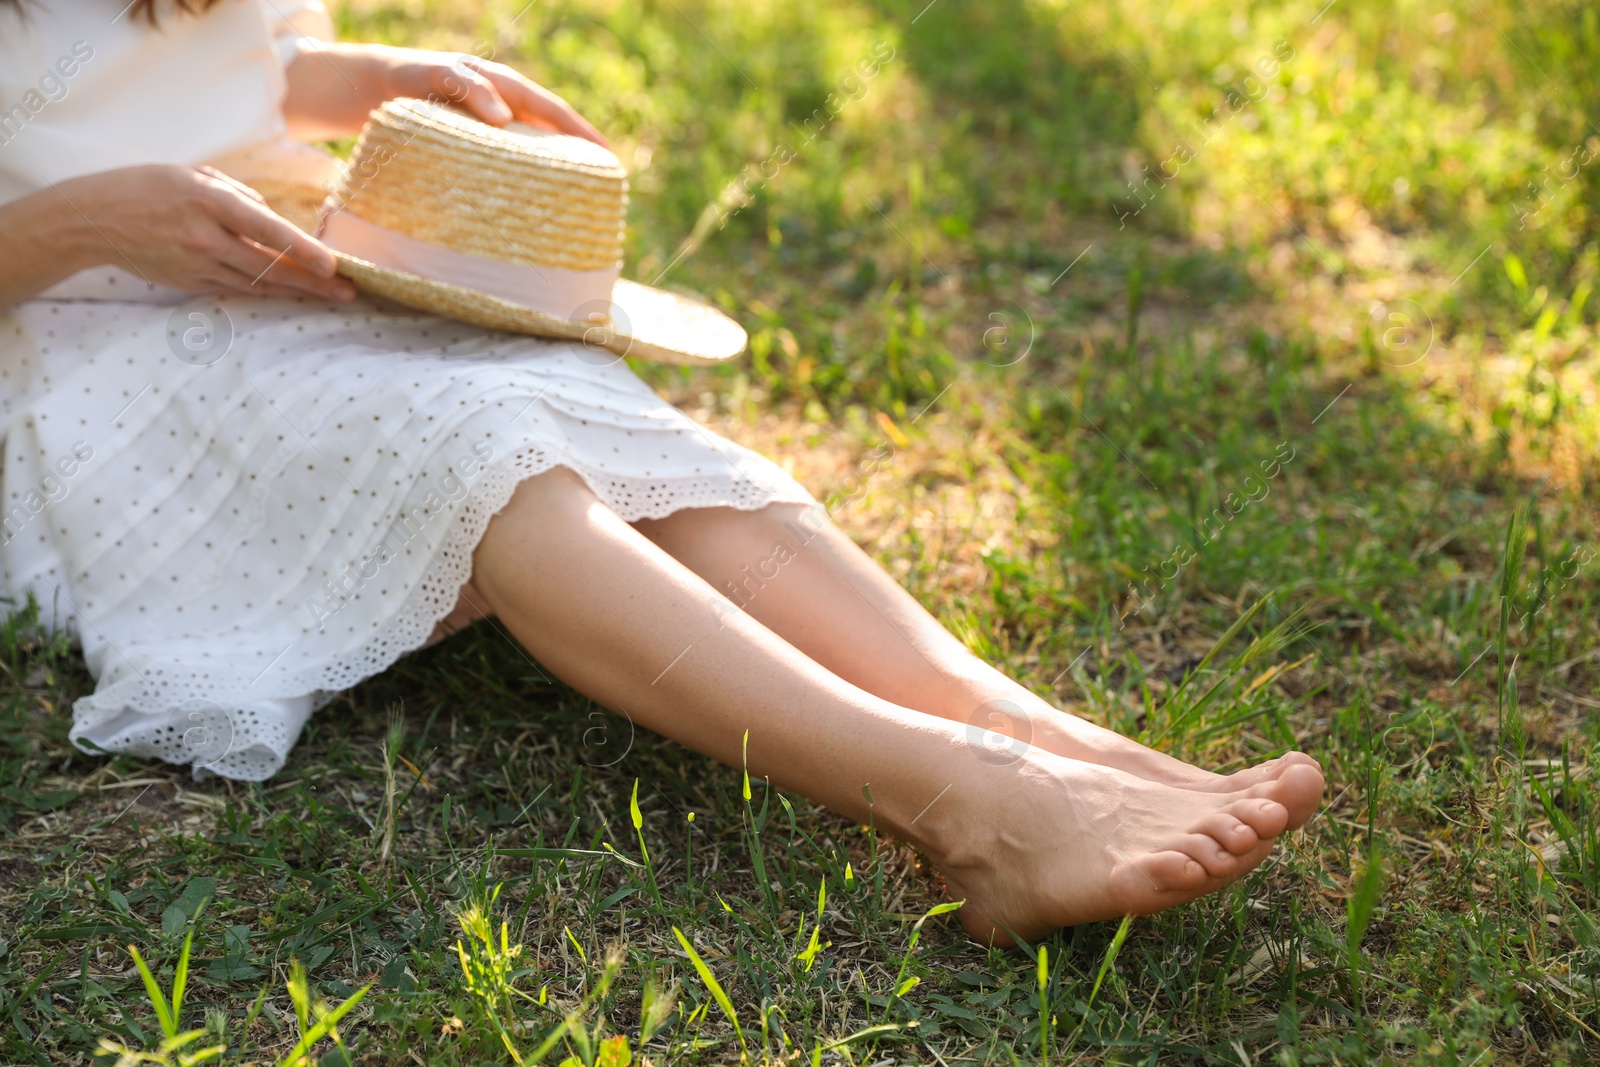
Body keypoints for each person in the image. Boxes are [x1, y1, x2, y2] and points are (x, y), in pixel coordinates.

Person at [0, 0, 1323, 947]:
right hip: (85, 347)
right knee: (486, 460)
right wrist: (82, 220)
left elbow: (222, 55)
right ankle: (967, 805)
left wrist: (363, 76)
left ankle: (1016, 725)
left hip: (289, 272)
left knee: (600, 418)